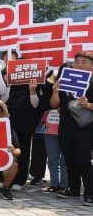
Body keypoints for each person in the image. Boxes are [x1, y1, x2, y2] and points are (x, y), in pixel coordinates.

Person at [50, 51, 93, 206]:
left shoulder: (92, 81)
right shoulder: (65, 81)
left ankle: (89, 193)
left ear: (91, 66)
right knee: (70, 160)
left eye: (84, 62)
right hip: (66, 126)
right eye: (77, 61)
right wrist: (55, 91)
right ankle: (73, 190)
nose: (80, 64)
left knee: (84, 160)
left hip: (86, 128)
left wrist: (88, 105)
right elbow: (54, 105)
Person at [41, 64, 69, 195]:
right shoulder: (53, 84)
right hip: (51, 123)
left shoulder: (81, 85)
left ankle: (65, 184)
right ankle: (54, 183)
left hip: (69, 126)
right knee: (52, 157)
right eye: (64, 71)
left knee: (65, 158)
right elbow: (53, 104)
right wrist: (55, 91)